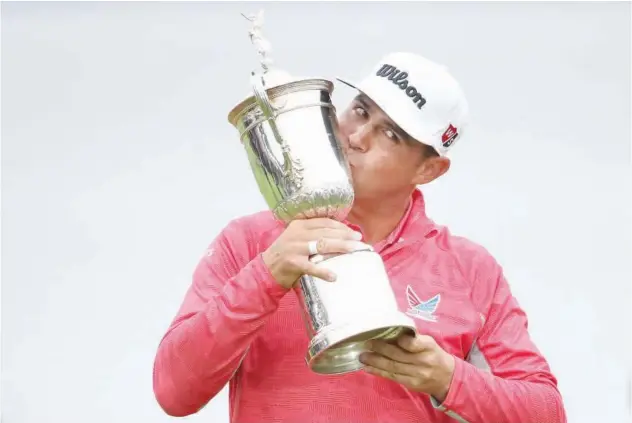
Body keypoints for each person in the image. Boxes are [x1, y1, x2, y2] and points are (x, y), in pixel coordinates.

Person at [152, 52, 567, 423]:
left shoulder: (470, 269)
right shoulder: (251, 242)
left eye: (391, 135)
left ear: (429, 171)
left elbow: (546, 412)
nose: (356, 136)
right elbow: (173, 391)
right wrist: (265, 276)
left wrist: (448, 379)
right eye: (361, 111)